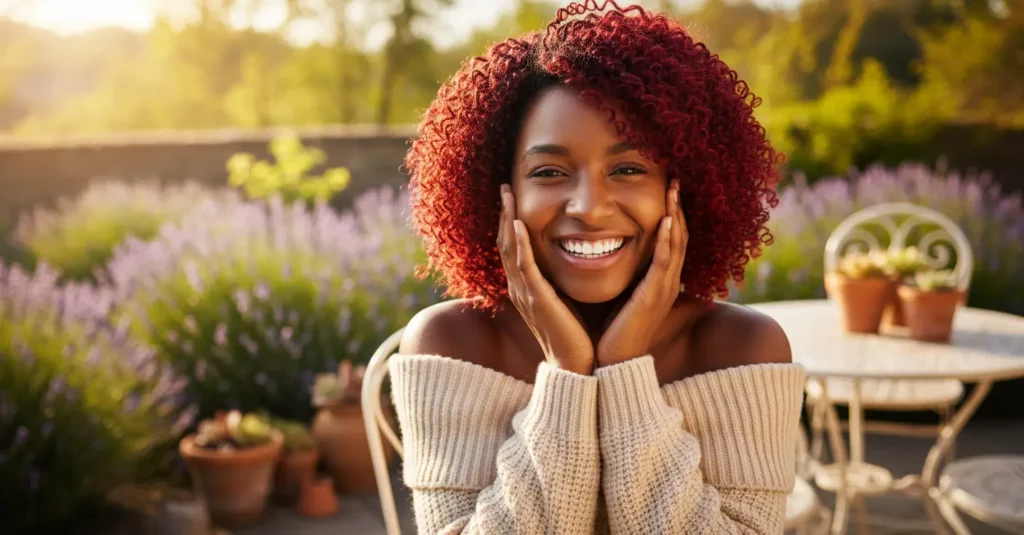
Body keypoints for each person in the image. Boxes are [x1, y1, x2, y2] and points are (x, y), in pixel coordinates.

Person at [391, 1, 807, 533]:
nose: (588, 207)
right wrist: (566, 374)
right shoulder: (452, 343)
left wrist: (622, 370)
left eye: (629, 169)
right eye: (549, 171)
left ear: (682, 191)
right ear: (501, 194)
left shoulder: (742, 351)